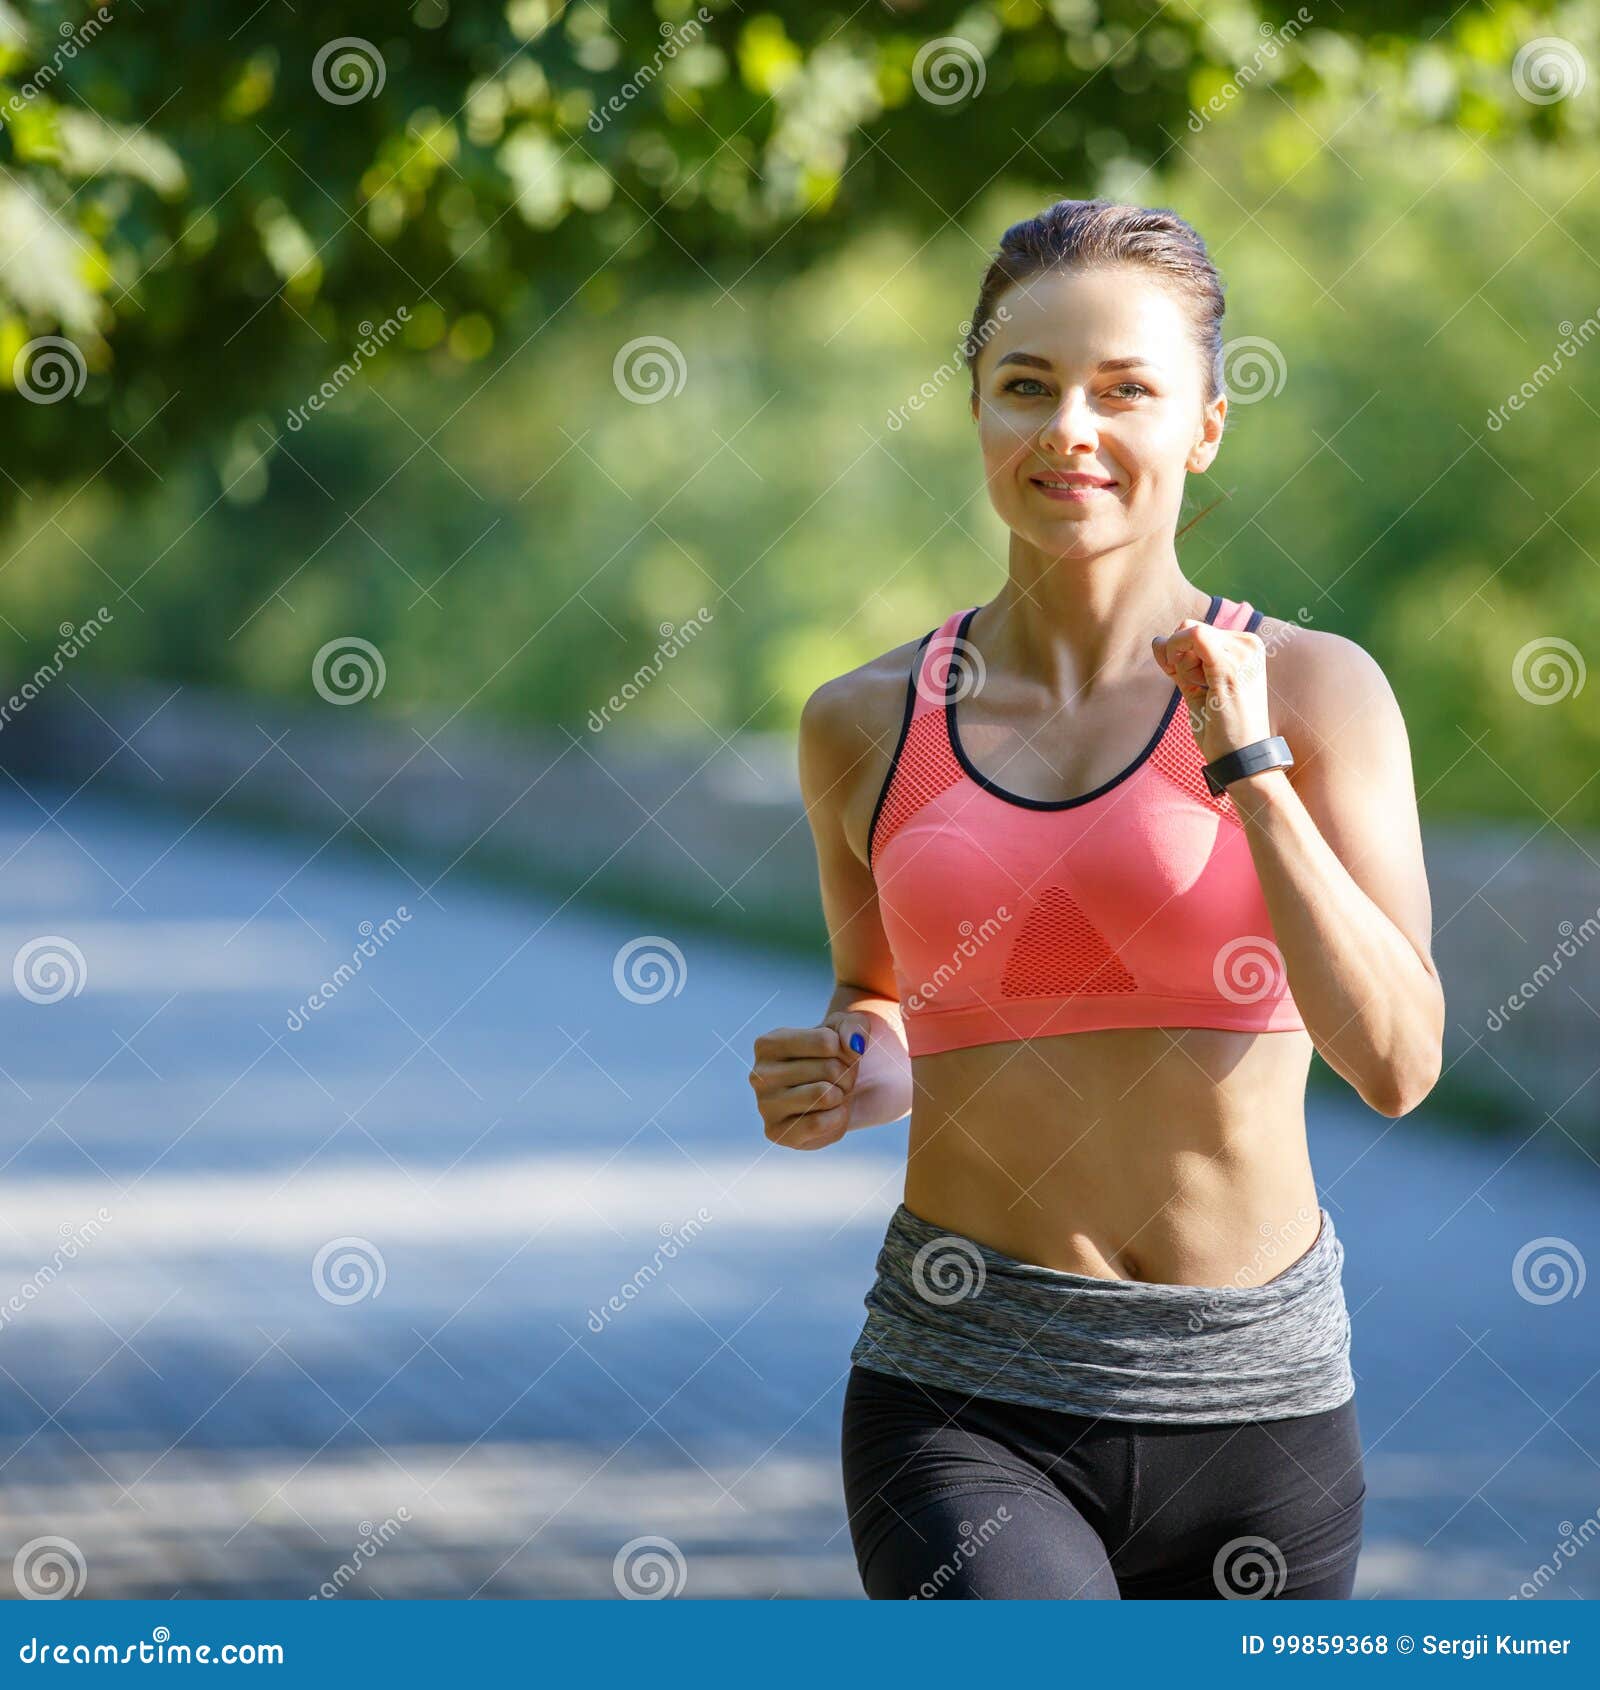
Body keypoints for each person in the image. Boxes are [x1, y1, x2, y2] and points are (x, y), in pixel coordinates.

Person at [747, 198, 1444, 1600]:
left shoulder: (1319, 690)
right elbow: (887, 1001)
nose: (1071, 426)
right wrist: (844, 1069)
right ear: (978, 414)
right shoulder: (863, 720)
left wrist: (1251, 768)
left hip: (1261, 1408)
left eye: (1126, 389)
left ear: (1204, 424)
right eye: (1027, 386)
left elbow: (1400, 1061)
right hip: (963, 1392)